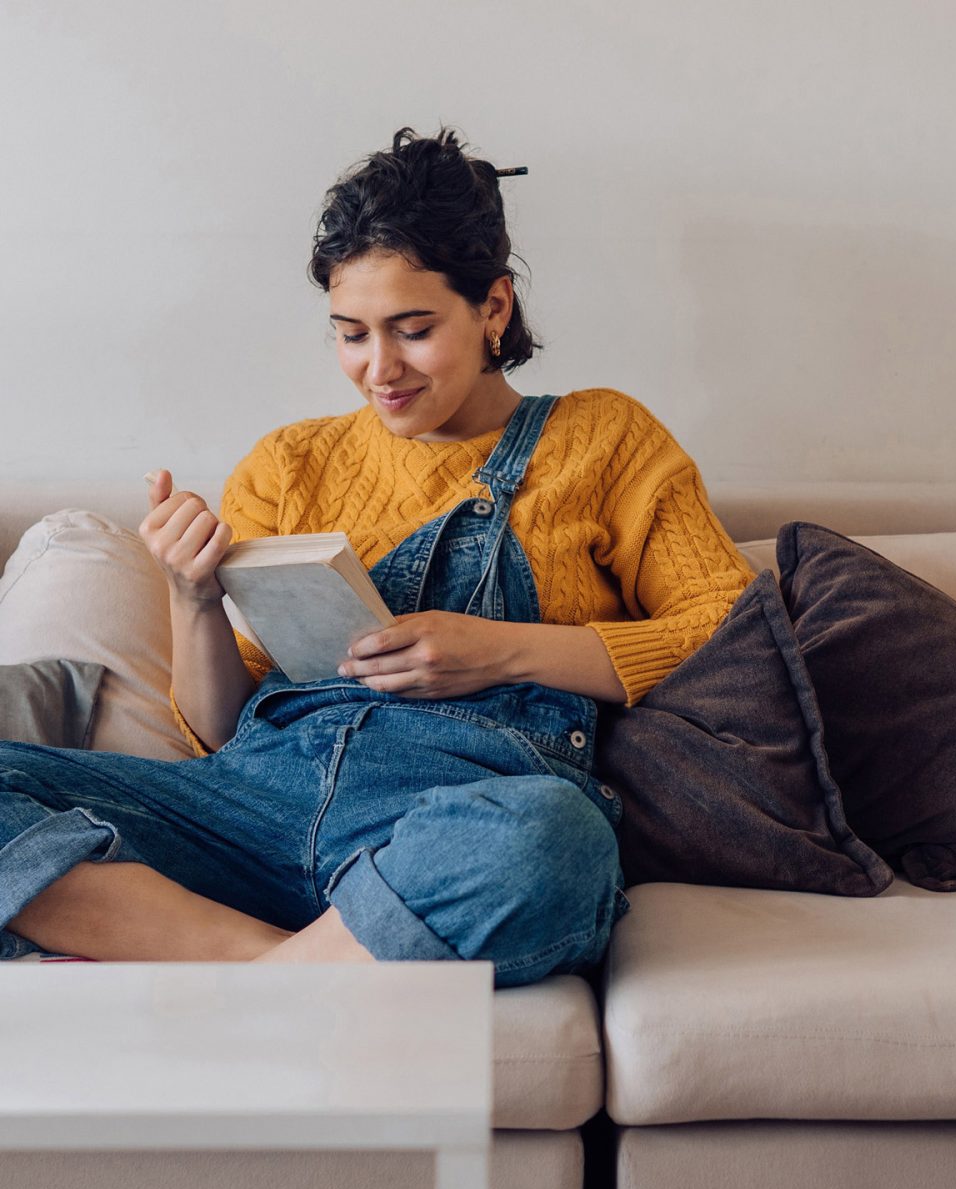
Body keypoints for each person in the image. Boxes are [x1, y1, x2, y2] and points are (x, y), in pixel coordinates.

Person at [0, 128, 752, 985]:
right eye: (350, 334)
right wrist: (192, 597)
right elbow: (217, 728)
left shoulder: (605, 438)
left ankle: (278, 960)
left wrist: (496, 651)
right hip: (252, 807)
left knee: (556, 837)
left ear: (494, 308)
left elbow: (730, 635)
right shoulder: (288, 463)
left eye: (413, 329)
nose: (378, 368)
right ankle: (284, 967)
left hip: (453, 818)